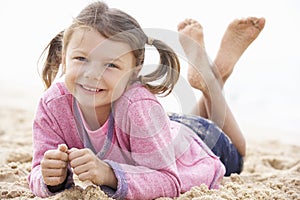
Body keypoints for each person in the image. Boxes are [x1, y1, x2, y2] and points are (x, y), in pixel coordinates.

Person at [28, 1, 265, 199]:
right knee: (181, 124)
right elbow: (37, 170)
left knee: (239, 152)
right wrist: (50, 178)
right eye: (81, 58)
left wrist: (109, 174)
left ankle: (213, 83)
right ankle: (212, 77)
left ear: (134, 71)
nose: (92, 74)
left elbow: (169, 180)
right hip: (165, 130)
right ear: (63, 56)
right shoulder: (53, 104)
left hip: (198, 146)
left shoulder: (139, 106)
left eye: (110, 64)